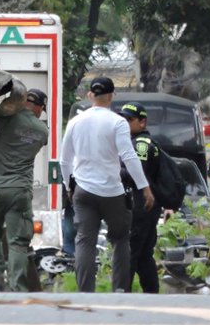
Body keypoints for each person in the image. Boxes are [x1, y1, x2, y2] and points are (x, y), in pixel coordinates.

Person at [60, 77, 154, 292]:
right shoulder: (117, 122)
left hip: (82, 190)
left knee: (85, 241)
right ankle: (119, 290)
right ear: (112, 96)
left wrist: (68, 186)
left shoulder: (75, 122)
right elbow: (129, 156)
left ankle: (85, 292)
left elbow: (64, 161)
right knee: (120, 239)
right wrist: (144, 187)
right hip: (112, 192)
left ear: (91, 95)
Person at [0, 90, 48, 292]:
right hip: (20, 191)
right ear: (38, 107)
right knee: (18, 243)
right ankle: (18, 288)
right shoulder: (42, 130)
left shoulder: (3, 119)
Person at [119, 101, 162, 293]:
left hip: (142, 205)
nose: (125, 123)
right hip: (144, 205)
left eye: (130, 120)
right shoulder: (133, 142)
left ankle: (123, 292)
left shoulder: (141, 145)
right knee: (144, 254)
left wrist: (113, 169)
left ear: (142, 122)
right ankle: (151, 294)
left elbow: (138, 175)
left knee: (132, 250)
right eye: (123, 119)